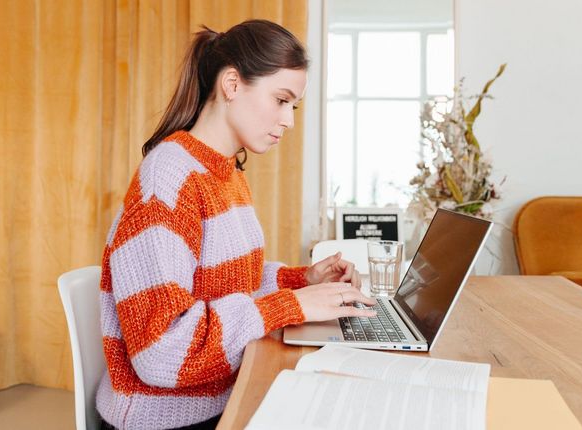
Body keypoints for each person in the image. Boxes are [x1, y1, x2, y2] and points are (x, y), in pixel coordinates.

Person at [96, 19, 376, 430]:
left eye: (293, 106)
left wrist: (303, 280)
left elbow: (226, 285)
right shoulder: (168, 177)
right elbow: (160, 351)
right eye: (281, 100)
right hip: (165, 417)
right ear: (231, 84)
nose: (289, 121)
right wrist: (291, 305)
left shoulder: (228, 174)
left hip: (220, 394)